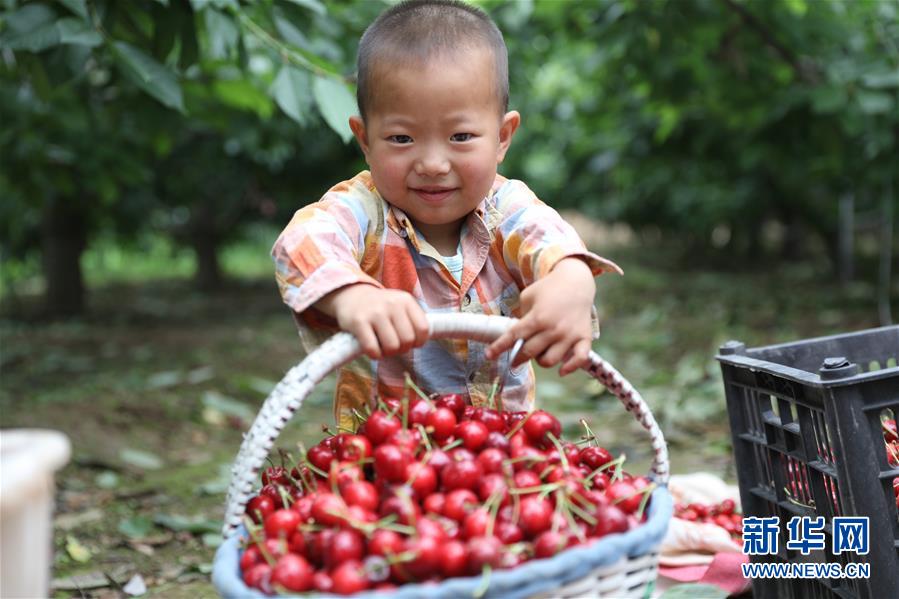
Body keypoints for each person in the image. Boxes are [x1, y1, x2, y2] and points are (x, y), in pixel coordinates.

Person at [272, 0, 621, 429]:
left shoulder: (506, 209)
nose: (433, 163)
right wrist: (354, 296)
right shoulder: (362, 211)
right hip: (383, 456)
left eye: (460, 136)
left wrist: (572, 282)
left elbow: (551, 241)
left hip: (497, 456)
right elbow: (301, 242)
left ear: (502, 137)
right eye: (401, 138)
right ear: (365, 140)